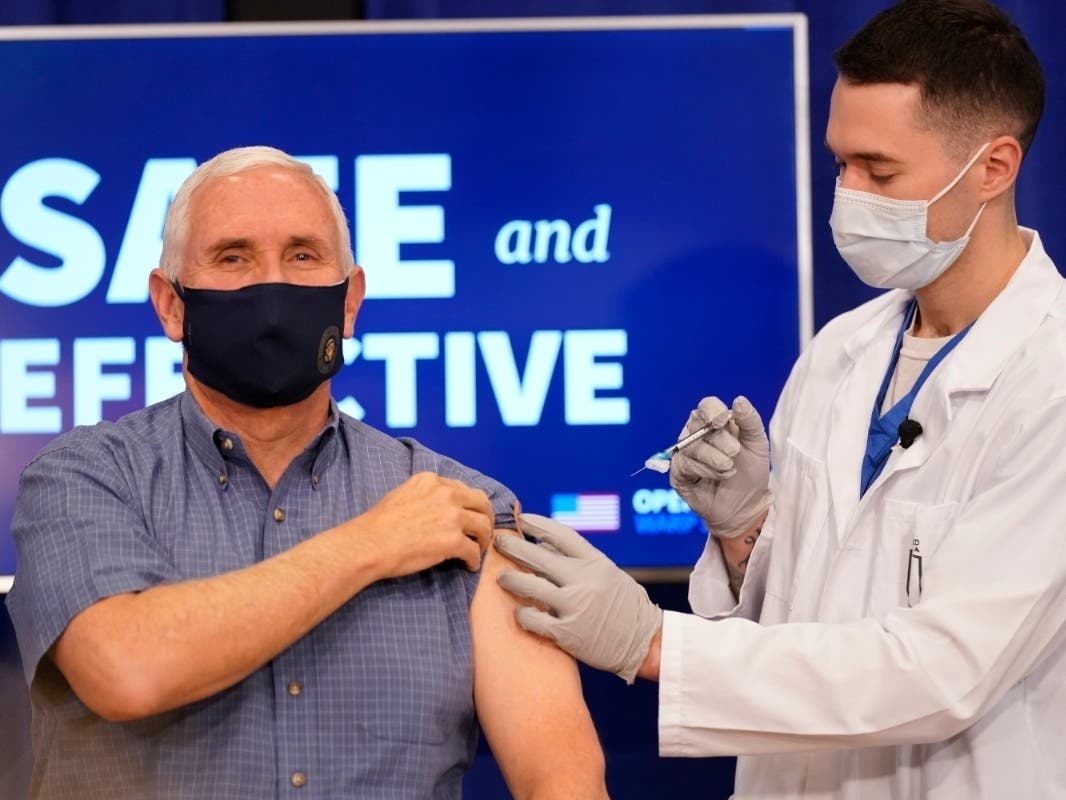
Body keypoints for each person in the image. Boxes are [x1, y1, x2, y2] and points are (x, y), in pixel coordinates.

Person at [494, 1, 1066, 797]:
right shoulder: (844, 349)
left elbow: (941, 672)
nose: (849, 195)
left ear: (994, 168)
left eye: (880, 172)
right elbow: (800, 627)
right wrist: (746, 534)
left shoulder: (1050, 380)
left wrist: (651, 641)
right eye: (840, 165)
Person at [4, 146, 609, 799]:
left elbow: (561, 776)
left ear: (349, 301)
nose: (272, 290)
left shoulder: (463, 508)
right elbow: (124, 670)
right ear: (171, 304)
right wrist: (370, 544)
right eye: (232, 257)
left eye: (302, 255)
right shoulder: (83, 479)